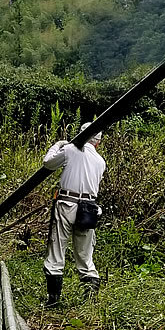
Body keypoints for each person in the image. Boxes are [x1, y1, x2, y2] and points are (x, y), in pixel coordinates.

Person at [42, 122, 106, 306]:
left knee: (57, 250)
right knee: (85, 255)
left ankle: (53, 300)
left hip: (66, 204)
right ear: (98, 143)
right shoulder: (101, 162)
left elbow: (48, 164)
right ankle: (90, 302)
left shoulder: (69, 149)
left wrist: (58, 145)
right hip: (89, 208)